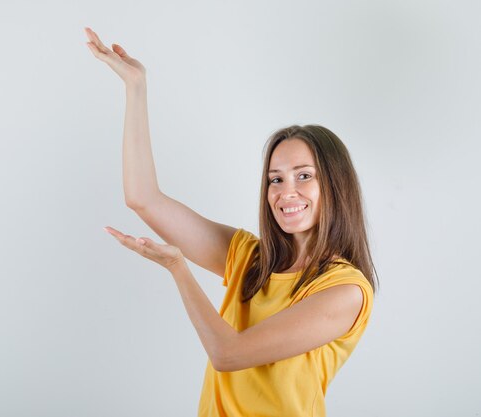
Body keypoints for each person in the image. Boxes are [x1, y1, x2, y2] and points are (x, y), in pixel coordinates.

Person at [85, 27, 378, 417]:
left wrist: (179, 269)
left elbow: (229, 353)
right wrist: (135, 87)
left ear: (336, 186)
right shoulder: (250, 259)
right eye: (276, 179)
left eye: (304, 176)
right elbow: (143, 198)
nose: (285, 191)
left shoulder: (346, 291)